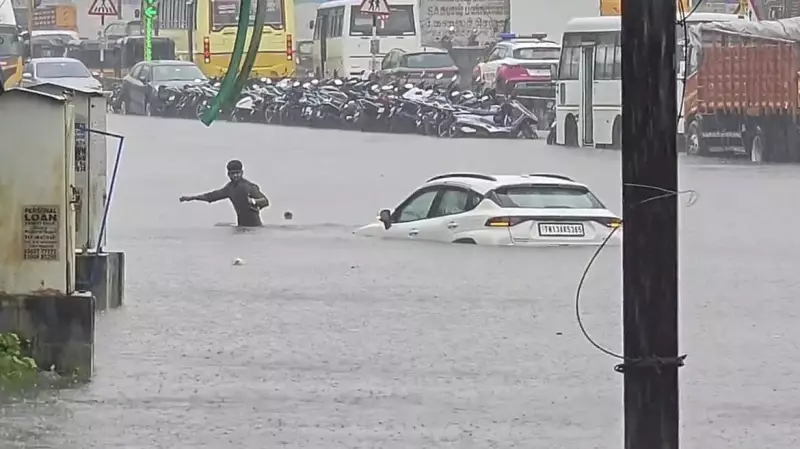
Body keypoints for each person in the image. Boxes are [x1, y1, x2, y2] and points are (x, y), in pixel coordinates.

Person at [179, 159, 270, 227]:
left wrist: (253, 202)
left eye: (237, 173)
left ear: (242, 173)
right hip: (241, 226)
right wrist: (192, 198)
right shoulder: (230, 188)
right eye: (232, 173)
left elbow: (265, 201)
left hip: (255, 228)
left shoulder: (249, 187)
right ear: (228, 174)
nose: (235, 176)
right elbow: (212, 196)